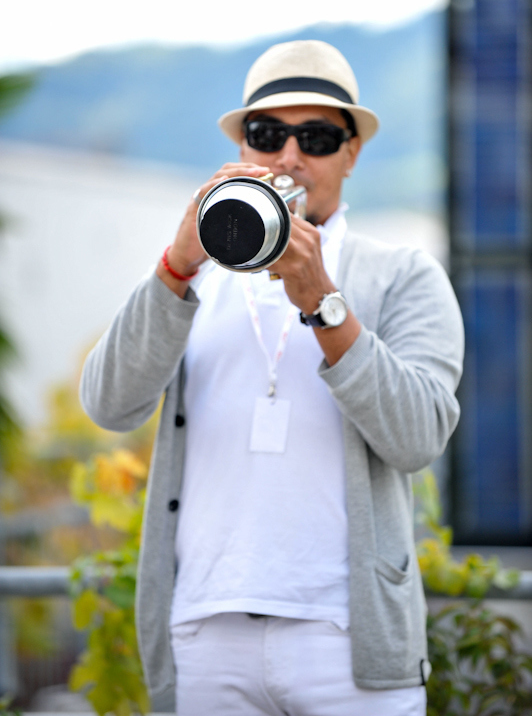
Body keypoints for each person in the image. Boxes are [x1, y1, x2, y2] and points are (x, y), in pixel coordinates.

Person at [80, 40, 464, 715]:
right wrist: (176, 265)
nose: (288, 156)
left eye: (316, 137)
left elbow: (419, 437)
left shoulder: (402, 274)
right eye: (266, 134)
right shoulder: (191, 278)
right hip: (205, 629)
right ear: (242, 149)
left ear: (351, 153)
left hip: (347, 638)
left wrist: (324, 303)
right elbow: (109, 405)